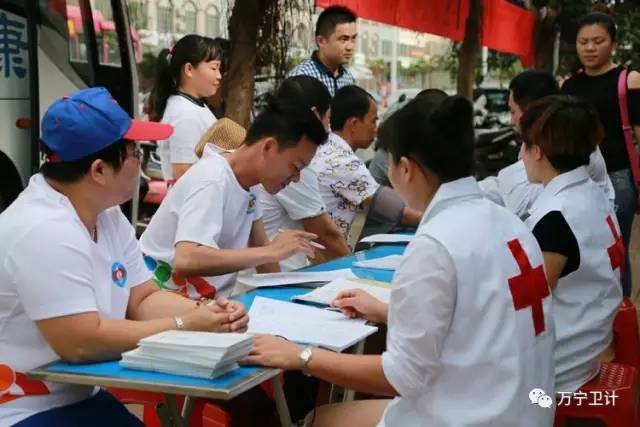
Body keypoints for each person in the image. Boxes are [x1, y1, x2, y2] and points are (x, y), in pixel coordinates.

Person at [242, 96, 554, 427]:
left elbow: (402, 376)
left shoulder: (434, 244)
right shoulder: (509, 224)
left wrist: (301, 356)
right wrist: (388, 310)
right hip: (524, 410)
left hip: (469, 415)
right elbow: (476, 317)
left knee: (319, 420)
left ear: (405, 168)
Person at [0, 88, 248, 427]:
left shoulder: (106, 214)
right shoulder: (43, 229)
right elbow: (82, 342)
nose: (142, 165)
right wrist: (183, 324)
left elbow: (142, 297)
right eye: (135, 153)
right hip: (23, 408)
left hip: (78, 394)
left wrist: (210, 314)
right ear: (99, 170)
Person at [139, 99, 328, 299]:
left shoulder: (250, 183)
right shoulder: (212, 179)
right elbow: (187, 259)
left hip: (202, 304)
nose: (296, 178)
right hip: (161, 300)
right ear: (269, 147)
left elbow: (260, 246)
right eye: (296, 166)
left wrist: (285, 298)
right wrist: (272, 251)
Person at [519, 95, 622, 393]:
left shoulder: (556, 218)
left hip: (559, 366)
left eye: (523, 146)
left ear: (537, 151)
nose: (521, 156)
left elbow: (531, 303)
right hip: (590, 345)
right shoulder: (592, 192)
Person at [561, 12, 640, 297]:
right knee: (584, 248)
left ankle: (622, 315)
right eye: (583, 42)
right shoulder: (569, 85)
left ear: (613, 43)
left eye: (598, 41)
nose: (590, 48)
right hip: (578, 179)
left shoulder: (629, 80)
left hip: (618, 178)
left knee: (615, 249)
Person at [479, 69, 614, 219]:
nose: (512, 121)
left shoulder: (567, 146)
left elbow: (518, 203)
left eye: (513, 112)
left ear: (531, 112)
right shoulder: (562, 136)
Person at [258, 76, 350, 269]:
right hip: (278, 279)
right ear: (316, 115)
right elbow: (325, 234)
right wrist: (353, 274)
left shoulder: (276, 147)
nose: (329, 128)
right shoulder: (290, 158)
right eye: (328, 118)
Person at [310, 85, 422, 242]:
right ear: (354, 124)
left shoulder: (325, 146)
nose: (375, 130)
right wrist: (436, 218)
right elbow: (395, 210)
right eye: (373, 122)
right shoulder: (343, 161)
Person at [151, 35, 224, 182]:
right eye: (214, 68)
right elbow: (183, 173)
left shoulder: (191, 105)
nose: (219, 76)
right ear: (189, 69)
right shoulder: (185, 114)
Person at [288, 6, 356, 96]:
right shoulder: (300, 78)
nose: (350, 47)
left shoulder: (348, 78)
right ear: (321, 41)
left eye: (353, 39)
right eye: (343, 39)